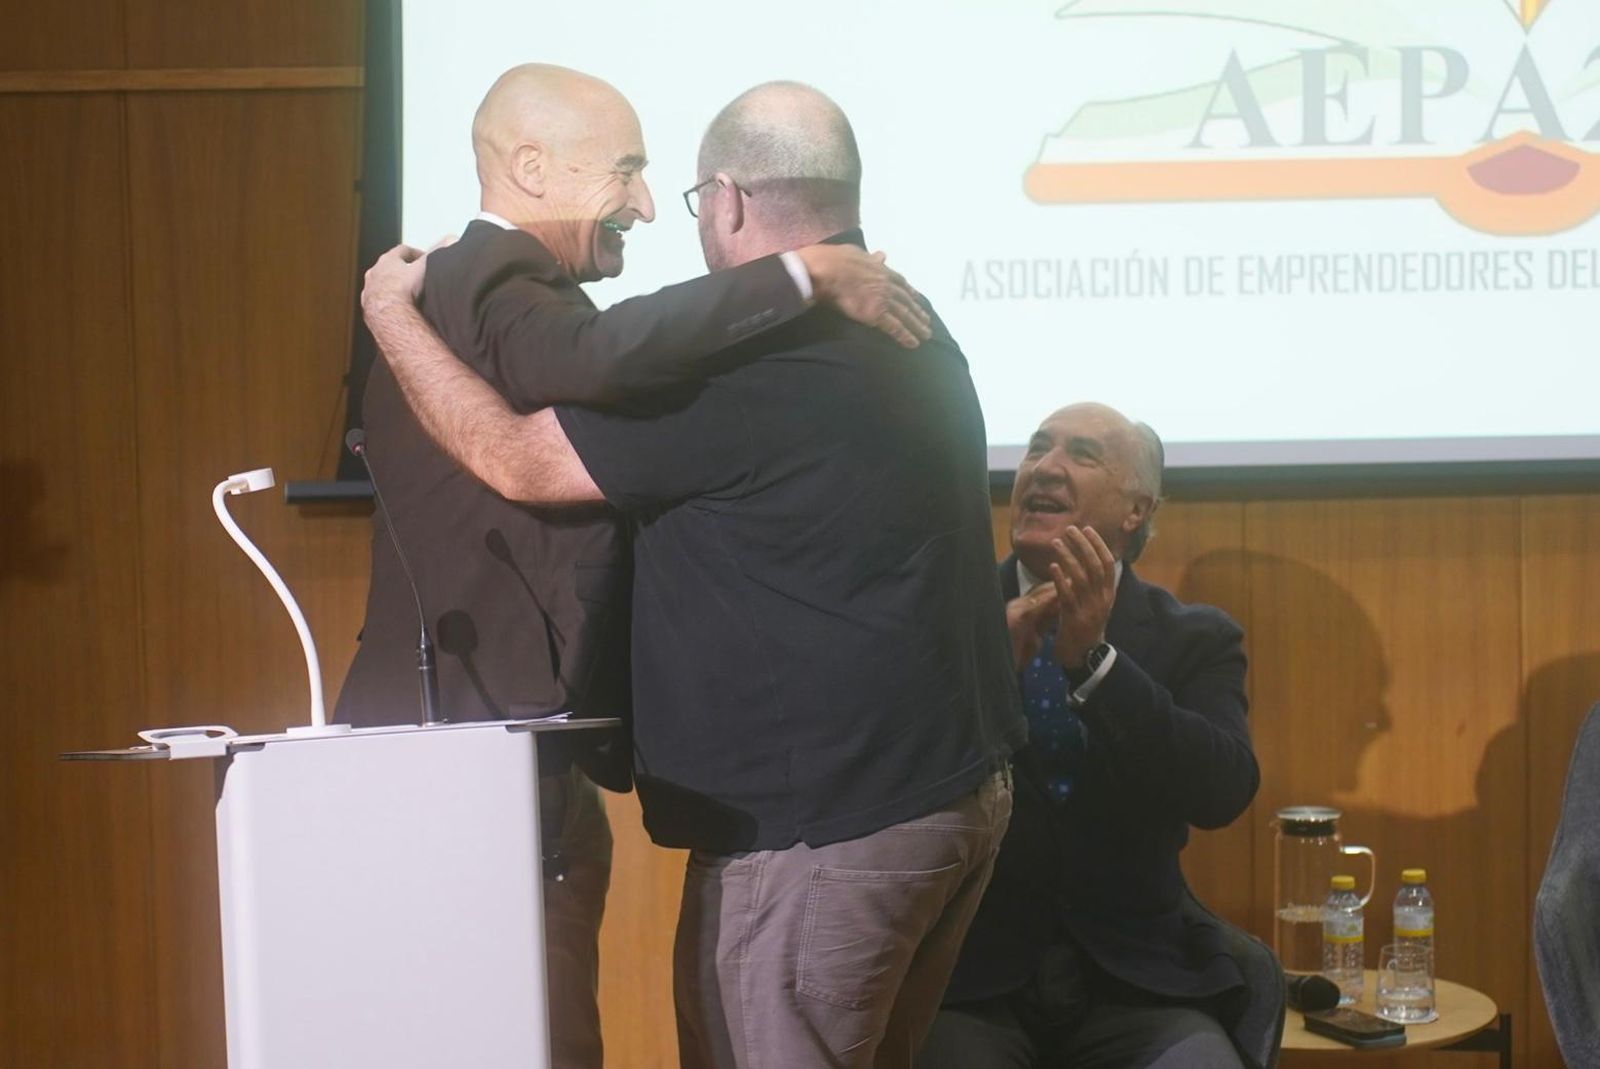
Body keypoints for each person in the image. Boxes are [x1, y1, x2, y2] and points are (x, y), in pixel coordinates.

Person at [360, 80, 1026, 1069]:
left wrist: (392, 320)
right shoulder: (907, 323)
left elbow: (521, 462)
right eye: (624, 172)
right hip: (951, 801)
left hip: (824, 834)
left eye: (662, 187)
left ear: (727, 203)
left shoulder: (758, 363)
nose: (641, 203)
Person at [920, 403, 1261, 1069]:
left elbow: (1223, 788)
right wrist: (991, 676)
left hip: (1138, 985)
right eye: (1037, 449)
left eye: (1081, 453)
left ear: (1136, 509)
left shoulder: (1195, 637)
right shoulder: (944, 616)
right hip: (970, 981)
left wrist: (1097, 665)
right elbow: (886, 777)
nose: (1045, 466)